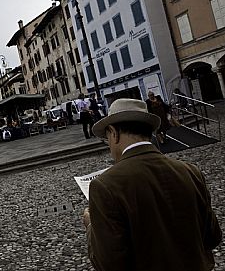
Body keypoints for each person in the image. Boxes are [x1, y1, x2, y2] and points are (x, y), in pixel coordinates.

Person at [83, 98, 222, 271]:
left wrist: (91, 226)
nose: (109, 146)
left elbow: (108, 263)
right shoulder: (190, 171)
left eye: (107, 138)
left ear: (114, 133)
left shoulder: (104, 185)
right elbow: (213, 236)